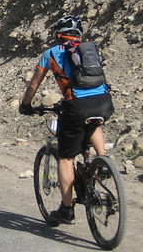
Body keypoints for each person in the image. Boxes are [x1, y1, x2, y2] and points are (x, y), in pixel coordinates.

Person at [19, 15, 114, 226]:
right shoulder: (90, 49)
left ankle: (66, 208)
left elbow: (34, 84)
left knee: (65, 157)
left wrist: (26, 105)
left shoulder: (51, 53)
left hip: (76, 106)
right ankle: (104, 160)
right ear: (79, 34)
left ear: (57, 34)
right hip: (104, 102)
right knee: (93, 122)